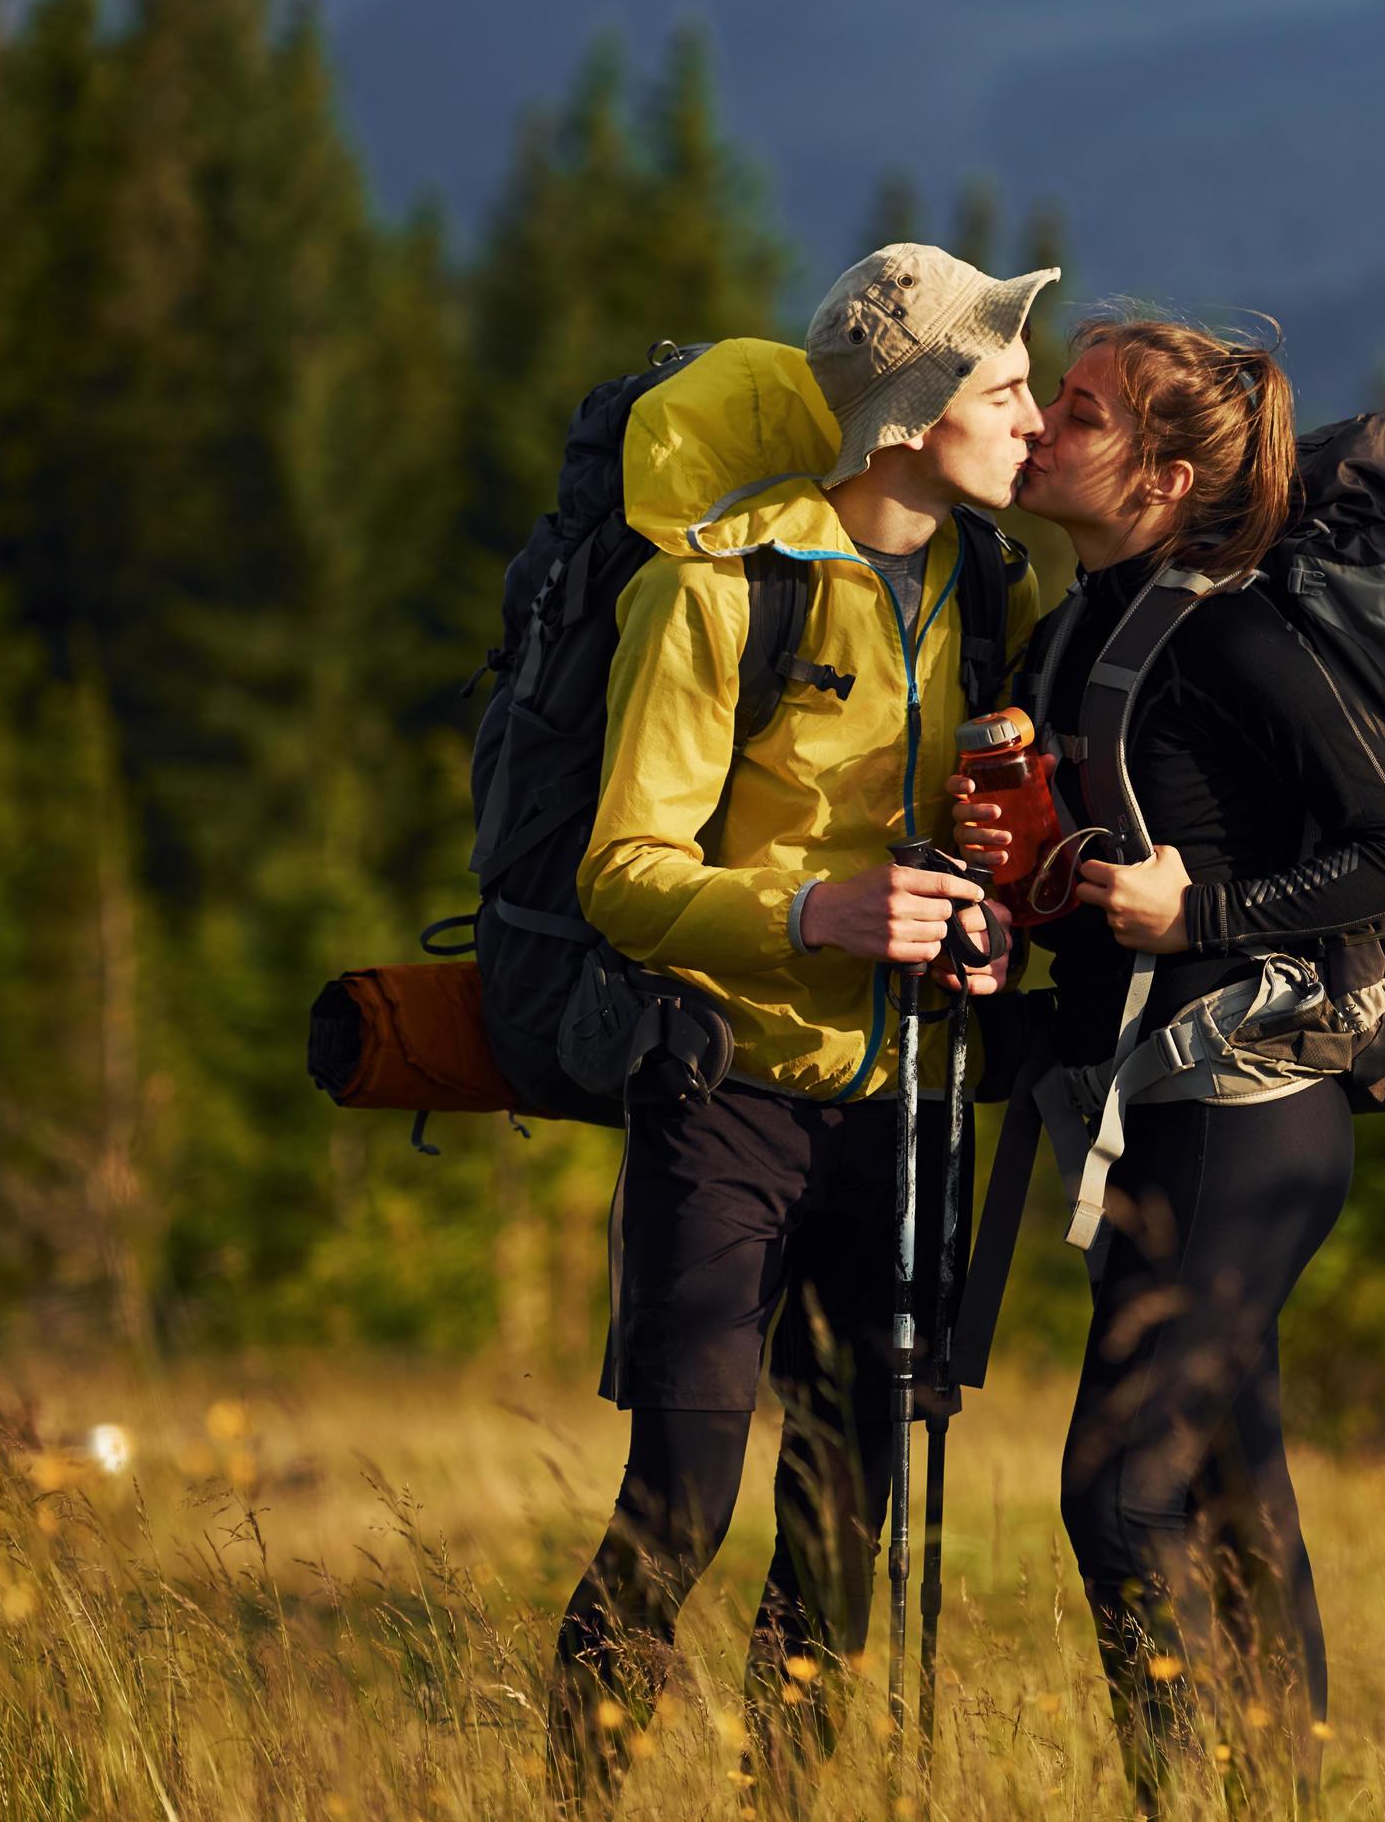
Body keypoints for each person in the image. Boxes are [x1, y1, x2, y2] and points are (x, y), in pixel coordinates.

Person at [547, 245, 1062, 1805]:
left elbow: (1000, 833)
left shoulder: (994, 584)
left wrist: (991, 925)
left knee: (846, 1517)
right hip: (728, 1094)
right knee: (685, 1499)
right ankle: (573, 1793)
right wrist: (806, 913)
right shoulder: (717, 596)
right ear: (910, 422)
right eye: (1007, 388)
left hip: (910, 1097)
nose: (1039, 418)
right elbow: (622, 875)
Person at [968, 315, 1385, 1802]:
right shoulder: (1074, 628)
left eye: (1086, 410)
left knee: (1117, 1497)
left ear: (1166, 480)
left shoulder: (1237, 632)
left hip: (1250, 1118)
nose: (1045, 421)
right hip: (1152, 1112)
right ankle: (1278, 1793)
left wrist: (1207, 910)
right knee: (1235, 1496)